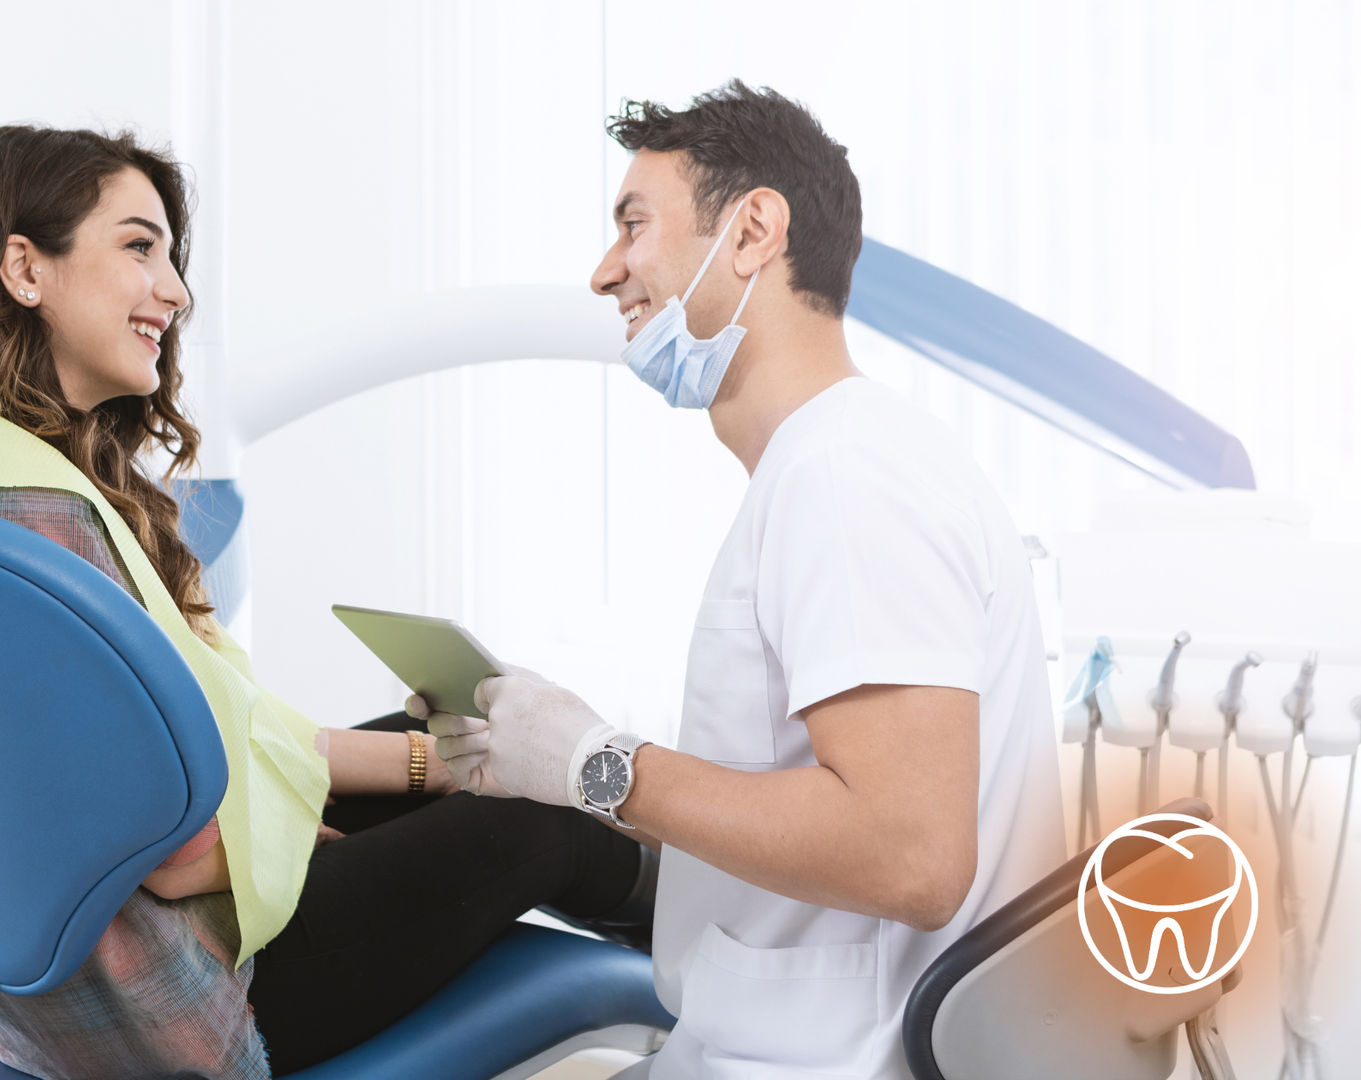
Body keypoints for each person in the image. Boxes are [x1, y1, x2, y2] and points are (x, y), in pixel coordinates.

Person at [0, 125, 652, 1079]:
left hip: (47, 986)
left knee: (468, 748)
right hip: (175, 1003)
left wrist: (423, 769)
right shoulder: (36, 526)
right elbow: (178, 859)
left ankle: (690, 910)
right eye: (139, 247)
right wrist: (300, 835)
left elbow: (228, 745)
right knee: (543, 821)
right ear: (26, 267)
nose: (174, 292)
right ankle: (720, 945)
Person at [419, 82, 1065, 1079]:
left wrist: (601, 764)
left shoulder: (848, 475)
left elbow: (912, 855)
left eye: (634, 225)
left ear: (754, 230)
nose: (606, 272)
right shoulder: (828, 466)